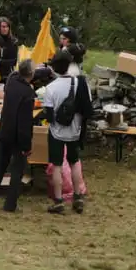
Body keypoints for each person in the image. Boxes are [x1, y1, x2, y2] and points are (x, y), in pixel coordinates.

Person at [40, 51, 90, 214]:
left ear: (53, 69)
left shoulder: (50, 88)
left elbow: (48, 115)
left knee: (56, 165)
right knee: (74, 161)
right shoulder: (81, 83)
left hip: (56, 131)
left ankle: (59, 200)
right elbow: (87, 108)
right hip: (75, 130)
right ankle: (78, 197)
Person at [0, 59, 36, 211]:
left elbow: (14, 75)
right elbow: (25, 122)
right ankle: (10, 203)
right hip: (18, 135)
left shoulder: (11, 82)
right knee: (17, 169)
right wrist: (27, 144)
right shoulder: (28, 93)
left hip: (5, 129)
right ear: (31, 74)